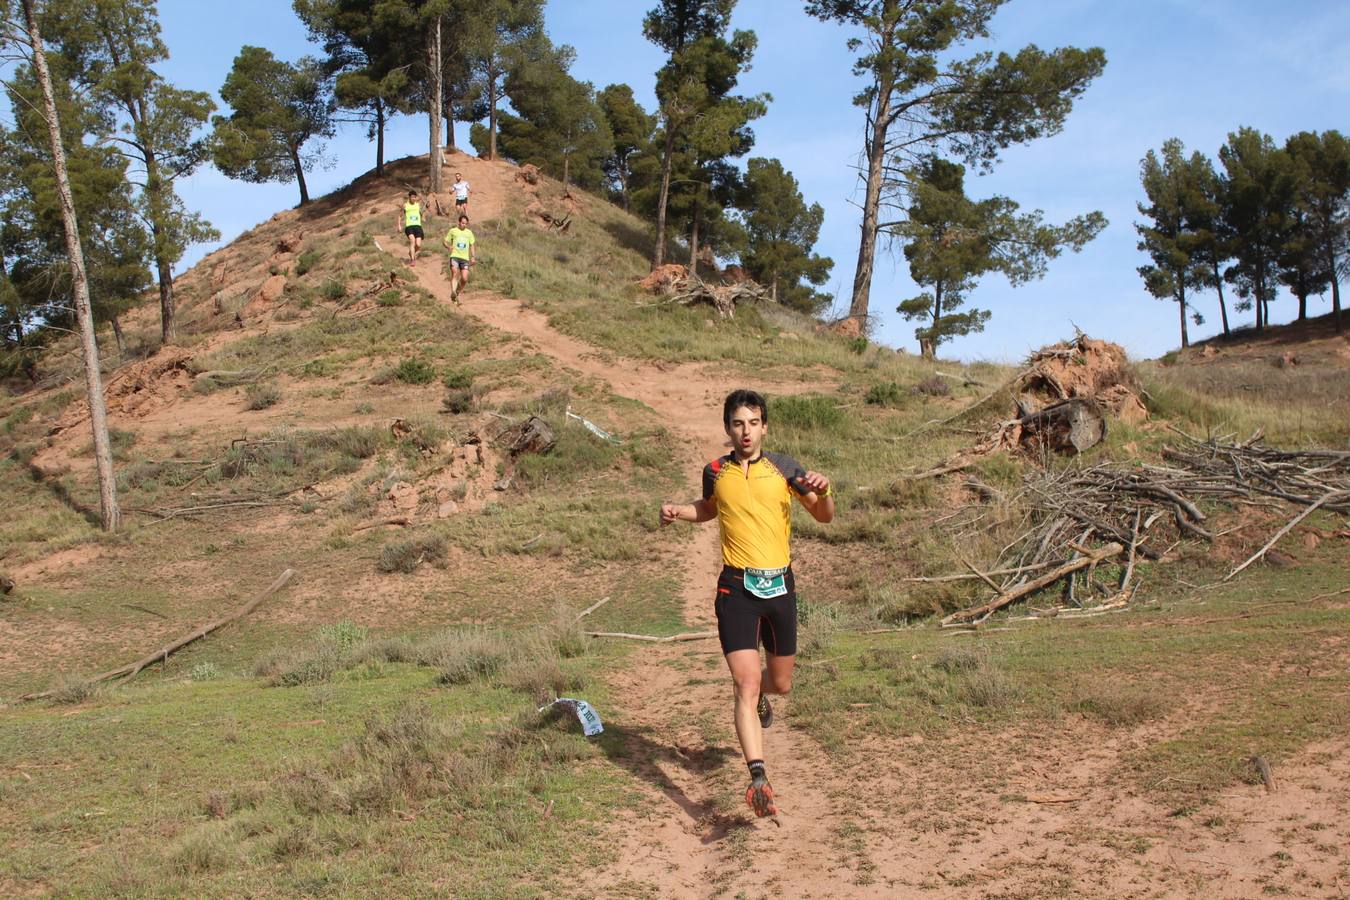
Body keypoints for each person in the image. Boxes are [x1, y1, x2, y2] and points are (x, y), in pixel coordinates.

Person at [659, 389, 834, 818]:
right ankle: (758, 776)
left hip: (780, 588)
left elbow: (824, 515)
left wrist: (825, 491)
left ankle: (760, 701)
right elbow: (709, 508)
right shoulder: (716, 471)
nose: (746, 432)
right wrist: (679, 512)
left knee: (779, 683)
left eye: (753, 423)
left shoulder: (786, 468)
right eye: (738, 424)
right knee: (745, 681)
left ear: (764, 427)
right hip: (735, 589)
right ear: (728, 429)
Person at [442, 213, 476, 302]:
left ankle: (456, 293)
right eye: (462, 223)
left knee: (464, 278)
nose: (464, 225)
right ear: (459, 222)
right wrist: (448, 247)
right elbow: (445, 241)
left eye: (465, 223)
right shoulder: (453, 231)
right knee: (454, 272)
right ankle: (453, 291)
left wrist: (473, 256)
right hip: (455, 256)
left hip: (465, 258)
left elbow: (472, 245)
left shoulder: (469, 233)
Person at [398, 190, 426, 267]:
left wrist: (423, 217)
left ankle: (411, 253)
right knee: (412, 241)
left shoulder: (418, 205)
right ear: (409, 197)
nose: (414, 198)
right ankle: (413, 260)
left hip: (418, 226)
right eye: (412, 197)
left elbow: (422, 213)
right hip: (409, 226)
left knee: (418, 245)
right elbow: (400, 216)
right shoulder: (405, 205)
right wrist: (399, 225)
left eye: (415, 197)